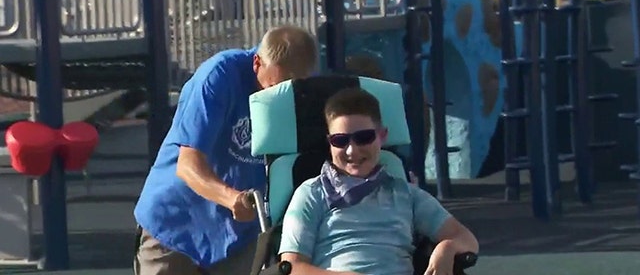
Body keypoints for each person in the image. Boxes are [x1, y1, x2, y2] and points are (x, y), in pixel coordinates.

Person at [133, 25, 318, 275]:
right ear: (257, 64)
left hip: (237, 236)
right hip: (178, 223)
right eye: (272, 87)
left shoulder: (306, 91)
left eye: (288, 90)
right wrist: (232, 198)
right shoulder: (218, 76)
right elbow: (188, 165)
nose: (277, 97)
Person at [278, 88, 479, 275]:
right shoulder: (312, 193)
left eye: (363, 137)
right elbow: (291, 268)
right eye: (340, 140)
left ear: (382, 136)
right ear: (329, 142)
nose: (351, 150)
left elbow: (466, 239)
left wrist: (447, 247)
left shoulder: (405, 194)